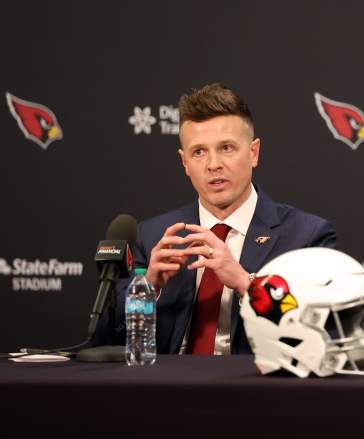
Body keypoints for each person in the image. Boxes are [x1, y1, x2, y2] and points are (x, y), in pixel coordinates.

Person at [95, 83, 336, 355]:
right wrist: (148, 288)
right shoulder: (151, 236)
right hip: (166, 390)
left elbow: (326, 337)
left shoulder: (306, 237)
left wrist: (247, 283)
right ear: (184, 162)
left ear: (253, 153)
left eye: (227, 148)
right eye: (199, 152)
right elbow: (103, 343)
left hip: (256, 391)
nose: (213, 164)